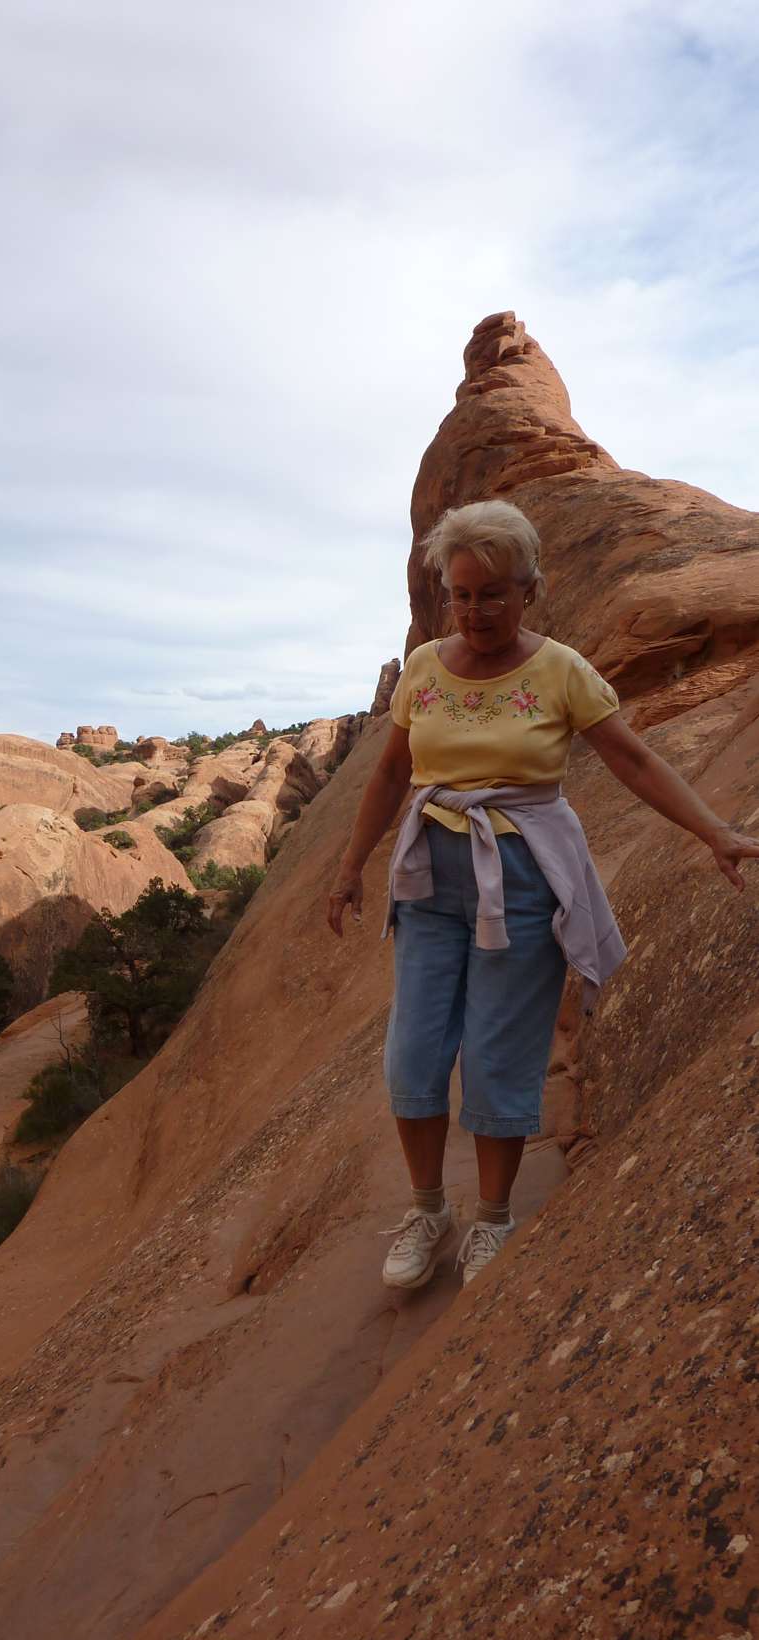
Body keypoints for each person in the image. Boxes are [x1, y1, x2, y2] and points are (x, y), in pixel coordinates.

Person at [327, 500, 759, 1290]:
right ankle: (428, 1210)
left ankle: (492, 1218)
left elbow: (633, 760)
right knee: (413, 1053)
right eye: (461, 594)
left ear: (530, 589)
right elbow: (391, 771)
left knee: (500, 1053)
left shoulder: (560, 670)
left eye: (493, 593)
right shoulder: (425, 670)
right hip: (429, 877)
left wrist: (713, 830)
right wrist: (351, 864)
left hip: (522, 876)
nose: (476, 610)